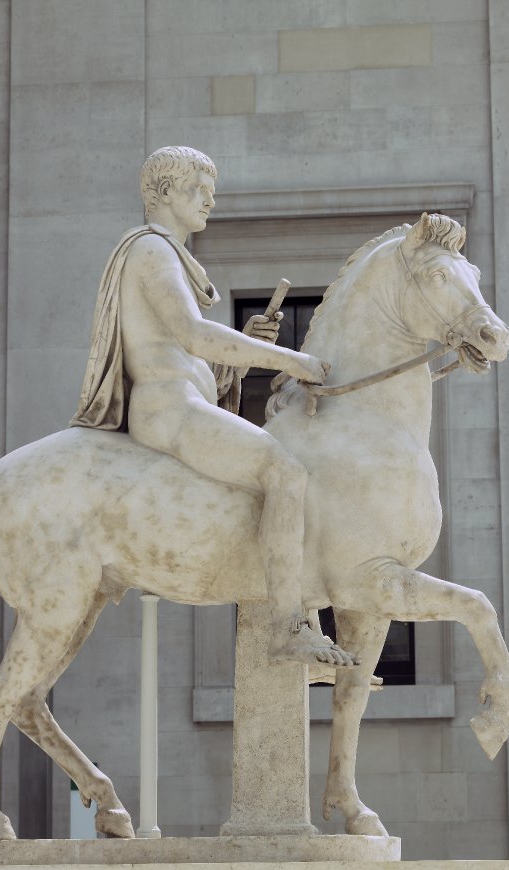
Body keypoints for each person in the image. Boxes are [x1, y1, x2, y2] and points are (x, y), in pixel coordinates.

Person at [71, 145, 356, 668]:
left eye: (212, 192)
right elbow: (194, 335)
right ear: (162, 193)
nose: (210, 201)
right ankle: (288, 625)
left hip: (182, 400)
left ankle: (297, 599)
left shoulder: (170, 257)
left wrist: (242, 351)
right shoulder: (151, 251)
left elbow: (187, 356)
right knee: (285, 470)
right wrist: (292, 361)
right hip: (169, 410)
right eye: (197, 191)